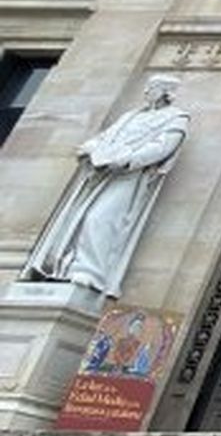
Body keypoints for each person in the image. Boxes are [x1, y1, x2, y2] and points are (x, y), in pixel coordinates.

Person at [23, 75, 190, 298]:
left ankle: (89, 272)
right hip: (101, 174)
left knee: (101, 218)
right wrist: (89, 147)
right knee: (80, 218)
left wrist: (128, 160)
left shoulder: (176, 118)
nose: (146, 92)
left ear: (166, 92)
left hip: (130, 177)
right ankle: (66, 267)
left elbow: (163, 147)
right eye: (147, 87)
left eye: (153, 88)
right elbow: (105, 137)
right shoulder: (131, 115)